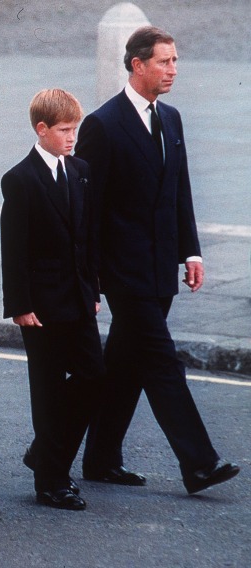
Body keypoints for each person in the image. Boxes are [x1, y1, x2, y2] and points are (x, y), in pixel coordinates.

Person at [76, 26, 239, 494]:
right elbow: (88, 209)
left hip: (161, 265)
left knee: (125, 368)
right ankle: (199, 463)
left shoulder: (171, 118)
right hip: (123, 274)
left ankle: (95, 458)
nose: (173, 69)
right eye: (164, 61)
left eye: (175, 61)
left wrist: (190, 250)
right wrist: (91, 278)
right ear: (137, 65)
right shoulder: (103, 125)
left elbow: (178, 192)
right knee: (163, 362)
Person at [1, 89, 104, 511]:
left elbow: (88, 237)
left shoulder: (81, 170)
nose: (72, 137)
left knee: (94, 377)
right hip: (40, 306)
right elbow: (15, 248)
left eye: (75, 128)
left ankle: (45, 451)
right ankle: (52, 480)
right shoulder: (20, 179)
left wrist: (93, 288)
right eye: (64, 130)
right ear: (41, 130)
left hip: (78, 298)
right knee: (45, 390)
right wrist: (20, 304)